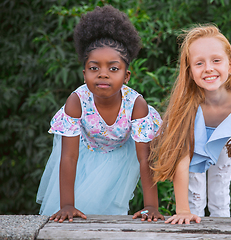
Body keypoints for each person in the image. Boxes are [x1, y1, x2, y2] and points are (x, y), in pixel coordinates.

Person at [36, 5, 164, 223]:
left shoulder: (137, 105)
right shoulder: (76, 101)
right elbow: (69, 156)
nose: (103, 74)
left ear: (126, 76)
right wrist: (67, 204)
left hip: (123, 153)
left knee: (112, 210)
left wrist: (151, 206)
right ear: (84, 72)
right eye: (94, 68)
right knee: (78, 209)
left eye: (113, 69)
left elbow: (144, 158)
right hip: (85, 150)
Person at [150, 25, 231, 226]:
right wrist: (183, 210)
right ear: (189, 71)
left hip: (224, 141)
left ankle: (222, 232)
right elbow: (182, 156)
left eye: (216, 60)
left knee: (220, 191)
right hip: (193, 145)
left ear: (230, 66)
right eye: (199, 63)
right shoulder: (187, 104)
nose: (208, 68)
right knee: (194, 195)